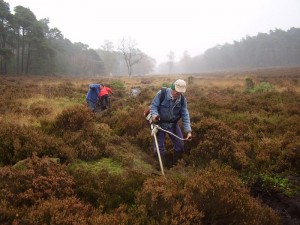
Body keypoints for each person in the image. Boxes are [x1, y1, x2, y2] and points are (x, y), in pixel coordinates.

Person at [150, 79, 192, 166]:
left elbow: (185, 115)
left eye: (180, 92)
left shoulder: (182, 100)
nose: (178, 94)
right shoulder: (162, 94)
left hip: (173, 125)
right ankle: (160, 167)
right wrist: (154, 115)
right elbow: (154, 106)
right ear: (172, 88)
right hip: (159, 124)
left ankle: (175, 166)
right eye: (177, 92)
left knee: (180, 146)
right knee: (159, 148)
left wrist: (188, 131)